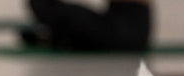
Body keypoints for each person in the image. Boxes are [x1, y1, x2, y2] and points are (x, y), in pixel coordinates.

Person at [22, 0, 151, 52]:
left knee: (53, 10)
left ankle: (54, 37)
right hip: (123, 27)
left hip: (123, 31)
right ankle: (54, 37)